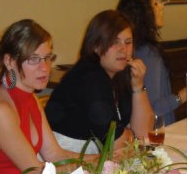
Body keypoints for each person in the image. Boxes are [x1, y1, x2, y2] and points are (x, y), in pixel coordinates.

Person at [0, 20, 82, 174]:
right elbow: (36, 173)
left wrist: (104, 159)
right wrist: (91, 170)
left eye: (47, 58)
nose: (45, 68)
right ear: (9, 61)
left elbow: (55, 154)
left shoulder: (31, 98)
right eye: (34, 59)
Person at [46, 10, 154, 152]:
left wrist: (138, 85)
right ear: (95, 46)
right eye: (115, 42)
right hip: (66, 160)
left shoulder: (119, 74)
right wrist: (133, 136)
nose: (124, 49)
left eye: (128, 42)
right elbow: (115, 143)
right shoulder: (90, 77)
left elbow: (144, 133)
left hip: (97, 159)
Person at [117, 0, 187, 125]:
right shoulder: (147, 52)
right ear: (142, 13)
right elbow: (155, 108)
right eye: (155, 4)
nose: (162, 7)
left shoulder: (131, 50)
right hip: (155, 133)